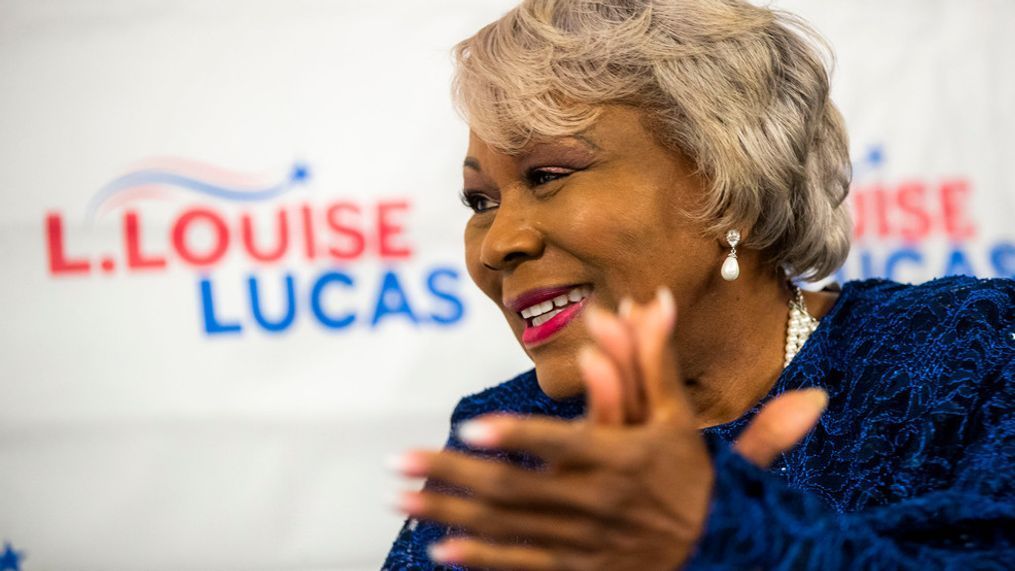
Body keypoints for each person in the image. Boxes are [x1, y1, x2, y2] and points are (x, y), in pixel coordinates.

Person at [383, 0, 1014, 568]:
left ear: (727, 184)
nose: (498, 243)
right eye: (479, 201)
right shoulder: (501, 440)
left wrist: (742, 541)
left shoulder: (970, 349)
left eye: (547, 173)